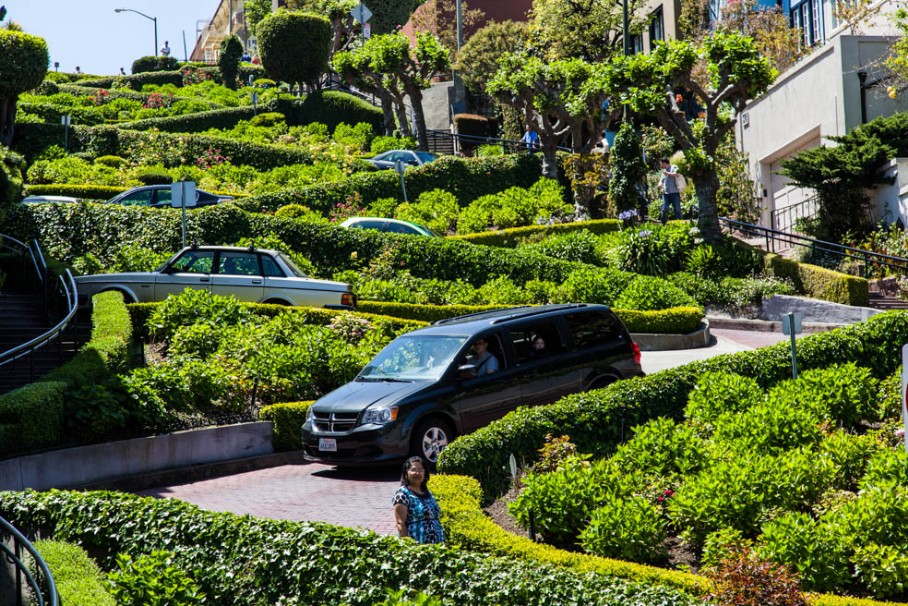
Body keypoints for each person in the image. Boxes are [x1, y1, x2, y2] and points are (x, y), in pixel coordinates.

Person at [392, 456, 445, 544]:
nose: (417, 473)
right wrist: (407, 546)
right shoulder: (402, 494)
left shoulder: (428, 493)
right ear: (406, 473)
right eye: (413, 470)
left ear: (425, 473)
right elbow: (400, 524)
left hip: (436, 543)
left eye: (420, 470)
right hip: (417, 544)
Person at [659, 158, 682, 223]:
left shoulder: (673, 167)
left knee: (677, 210)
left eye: (661, 163)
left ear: (664, 163)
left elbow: (677, 174)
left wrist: (668, 173)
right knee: (664, 208)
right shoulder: (663, 171)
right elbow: (661, 181)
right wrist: (659, 185)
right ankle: (663, 223)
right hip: (666, 194)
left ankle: (679, 223)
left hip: (675, 193)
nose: (660, 165)